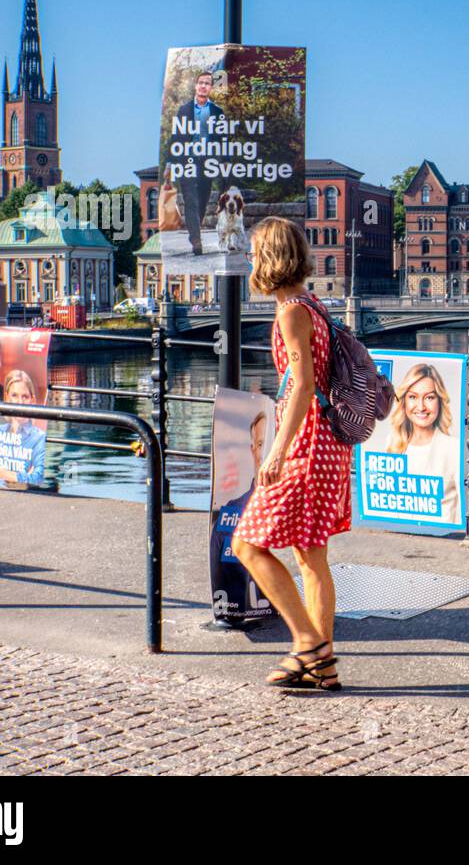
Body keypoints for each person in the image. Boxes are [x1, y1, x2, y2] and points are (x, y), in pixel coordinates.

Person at [231, 217, 349, 690]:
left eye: (255, 252)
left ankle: (306, 642)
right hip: (329, 442)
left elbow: (301, 387)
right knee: (311, 556)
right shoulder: (312, 304)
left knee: (247, 544)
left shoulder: (290, 313)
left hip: (308, 442)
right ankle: (324, 667)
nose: (250, 260)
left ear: (271, 258)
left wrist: (276, 452)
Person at [385, 363, 460, 525]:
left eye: (429, 397)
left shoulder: (453, 448)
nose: (421, 407)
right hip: (402, 536)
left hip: (444, 537)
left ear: (440, 401)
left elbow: (464, 511)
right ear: (404, 401)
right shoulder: (393, 444)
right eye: (413, 397)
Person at [169, 70, 225, 256]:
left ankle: (196, 230)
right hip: (187, 160)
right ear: (196, 86)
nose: (203, 86)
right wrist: (170, 163)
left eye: (207, 83)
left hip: (206, 162)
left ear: (211, 88)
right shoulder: (184, 110)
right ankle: (196, 240)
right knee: (190, 200)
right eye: (201, 82)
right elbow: (176, 136)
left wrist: (225, 162)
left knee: (202, 200)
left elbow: (222, 139)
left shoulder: (217, 112)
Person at [209, 410, 268, 568]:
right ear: (253, 449)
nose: (267, 452)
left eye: (271, 443)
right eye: (261, 444)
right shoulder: (230, 513)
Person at [0, 369, 46, 485]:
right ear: (6, 398)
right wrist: (23, 476)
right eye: (14, 395)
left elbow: (37, 478)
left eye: (25, 396)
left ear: (32, 400)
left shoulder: (38, 437)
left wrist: (1, 473)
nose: (20, 402)